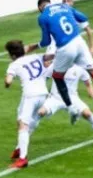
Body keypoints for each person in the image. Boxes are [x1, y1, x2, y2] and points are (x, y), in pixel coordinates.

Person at [26, 0, 93, 120]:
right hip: (79, 42)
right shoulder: (64, 6)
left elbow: (46, 41)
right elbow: (83, 17)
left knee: (58, 77)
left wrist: (34, 46)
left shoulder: (43, 17)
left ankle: (71, 109)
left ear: (40, 8)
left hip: (65, 47)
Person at [3, 40, 56, 169]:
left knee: (23, 124)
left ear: (12, 55)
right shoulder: (36, 57)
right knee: (24, 119)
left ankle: (22, 159)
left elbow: (8, 82)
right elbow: (51, 56)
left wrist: (7, 81)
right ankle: (19, 148)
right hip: (43, 94)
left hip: (30, 96)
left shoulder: (14, 65)